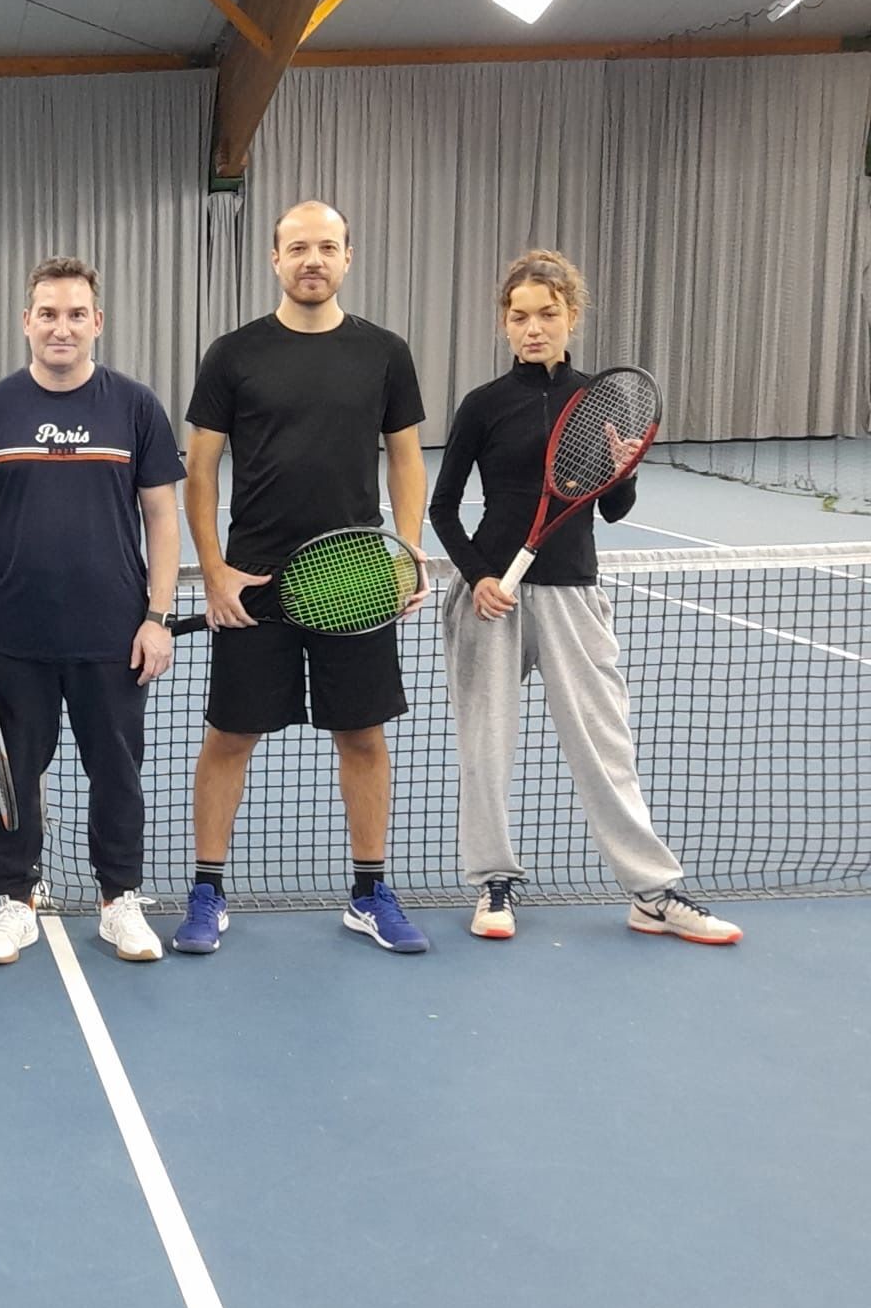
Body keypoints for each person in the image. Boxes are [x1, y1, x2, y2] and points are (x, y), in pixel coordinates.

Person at [430, 249, 741, 945]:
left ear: (572, 315)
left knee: (605, 747)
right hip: (490, 599)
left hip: (572, 592)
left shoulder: (601, 398)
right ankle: (493, 884)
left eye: (547, 314)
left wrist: (624, 469)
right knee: (485, 749)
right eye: (519, 317)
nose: (533, 328)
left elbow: (611, 508)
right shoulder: (483, 405)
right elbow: (443, 508)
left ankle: (651, 894)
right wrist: (479, 577)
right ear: (504, 323)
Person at [183, 201, 431, 955]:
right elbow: (200, 468)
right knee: (231, 736)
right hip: (253, 582)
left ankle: (369, 892)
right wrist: (215, 571)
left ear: (347, 257)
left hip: (355, 576)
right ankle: (207, 890)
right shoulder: (233, 354)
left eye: (326, 246)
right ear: (275, 259)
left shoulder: (384, 353)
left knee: (362, 735)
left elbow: (407, 458)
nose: (312, 259)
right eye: (297, 248)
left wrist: (408, 552)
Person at [0, 257, 184, 966]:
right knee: (13, 774)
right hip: (15, 634)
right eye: (48, 313)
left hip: (115, 633)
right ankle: (15, 902)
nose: (61, 327)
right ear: (27, 321)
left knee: (118, 773)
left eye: (76, 314)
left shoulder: (134, 406)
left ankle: (120, 901)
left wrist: (158, 617)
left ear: (96, 322)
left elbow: (162, 516)